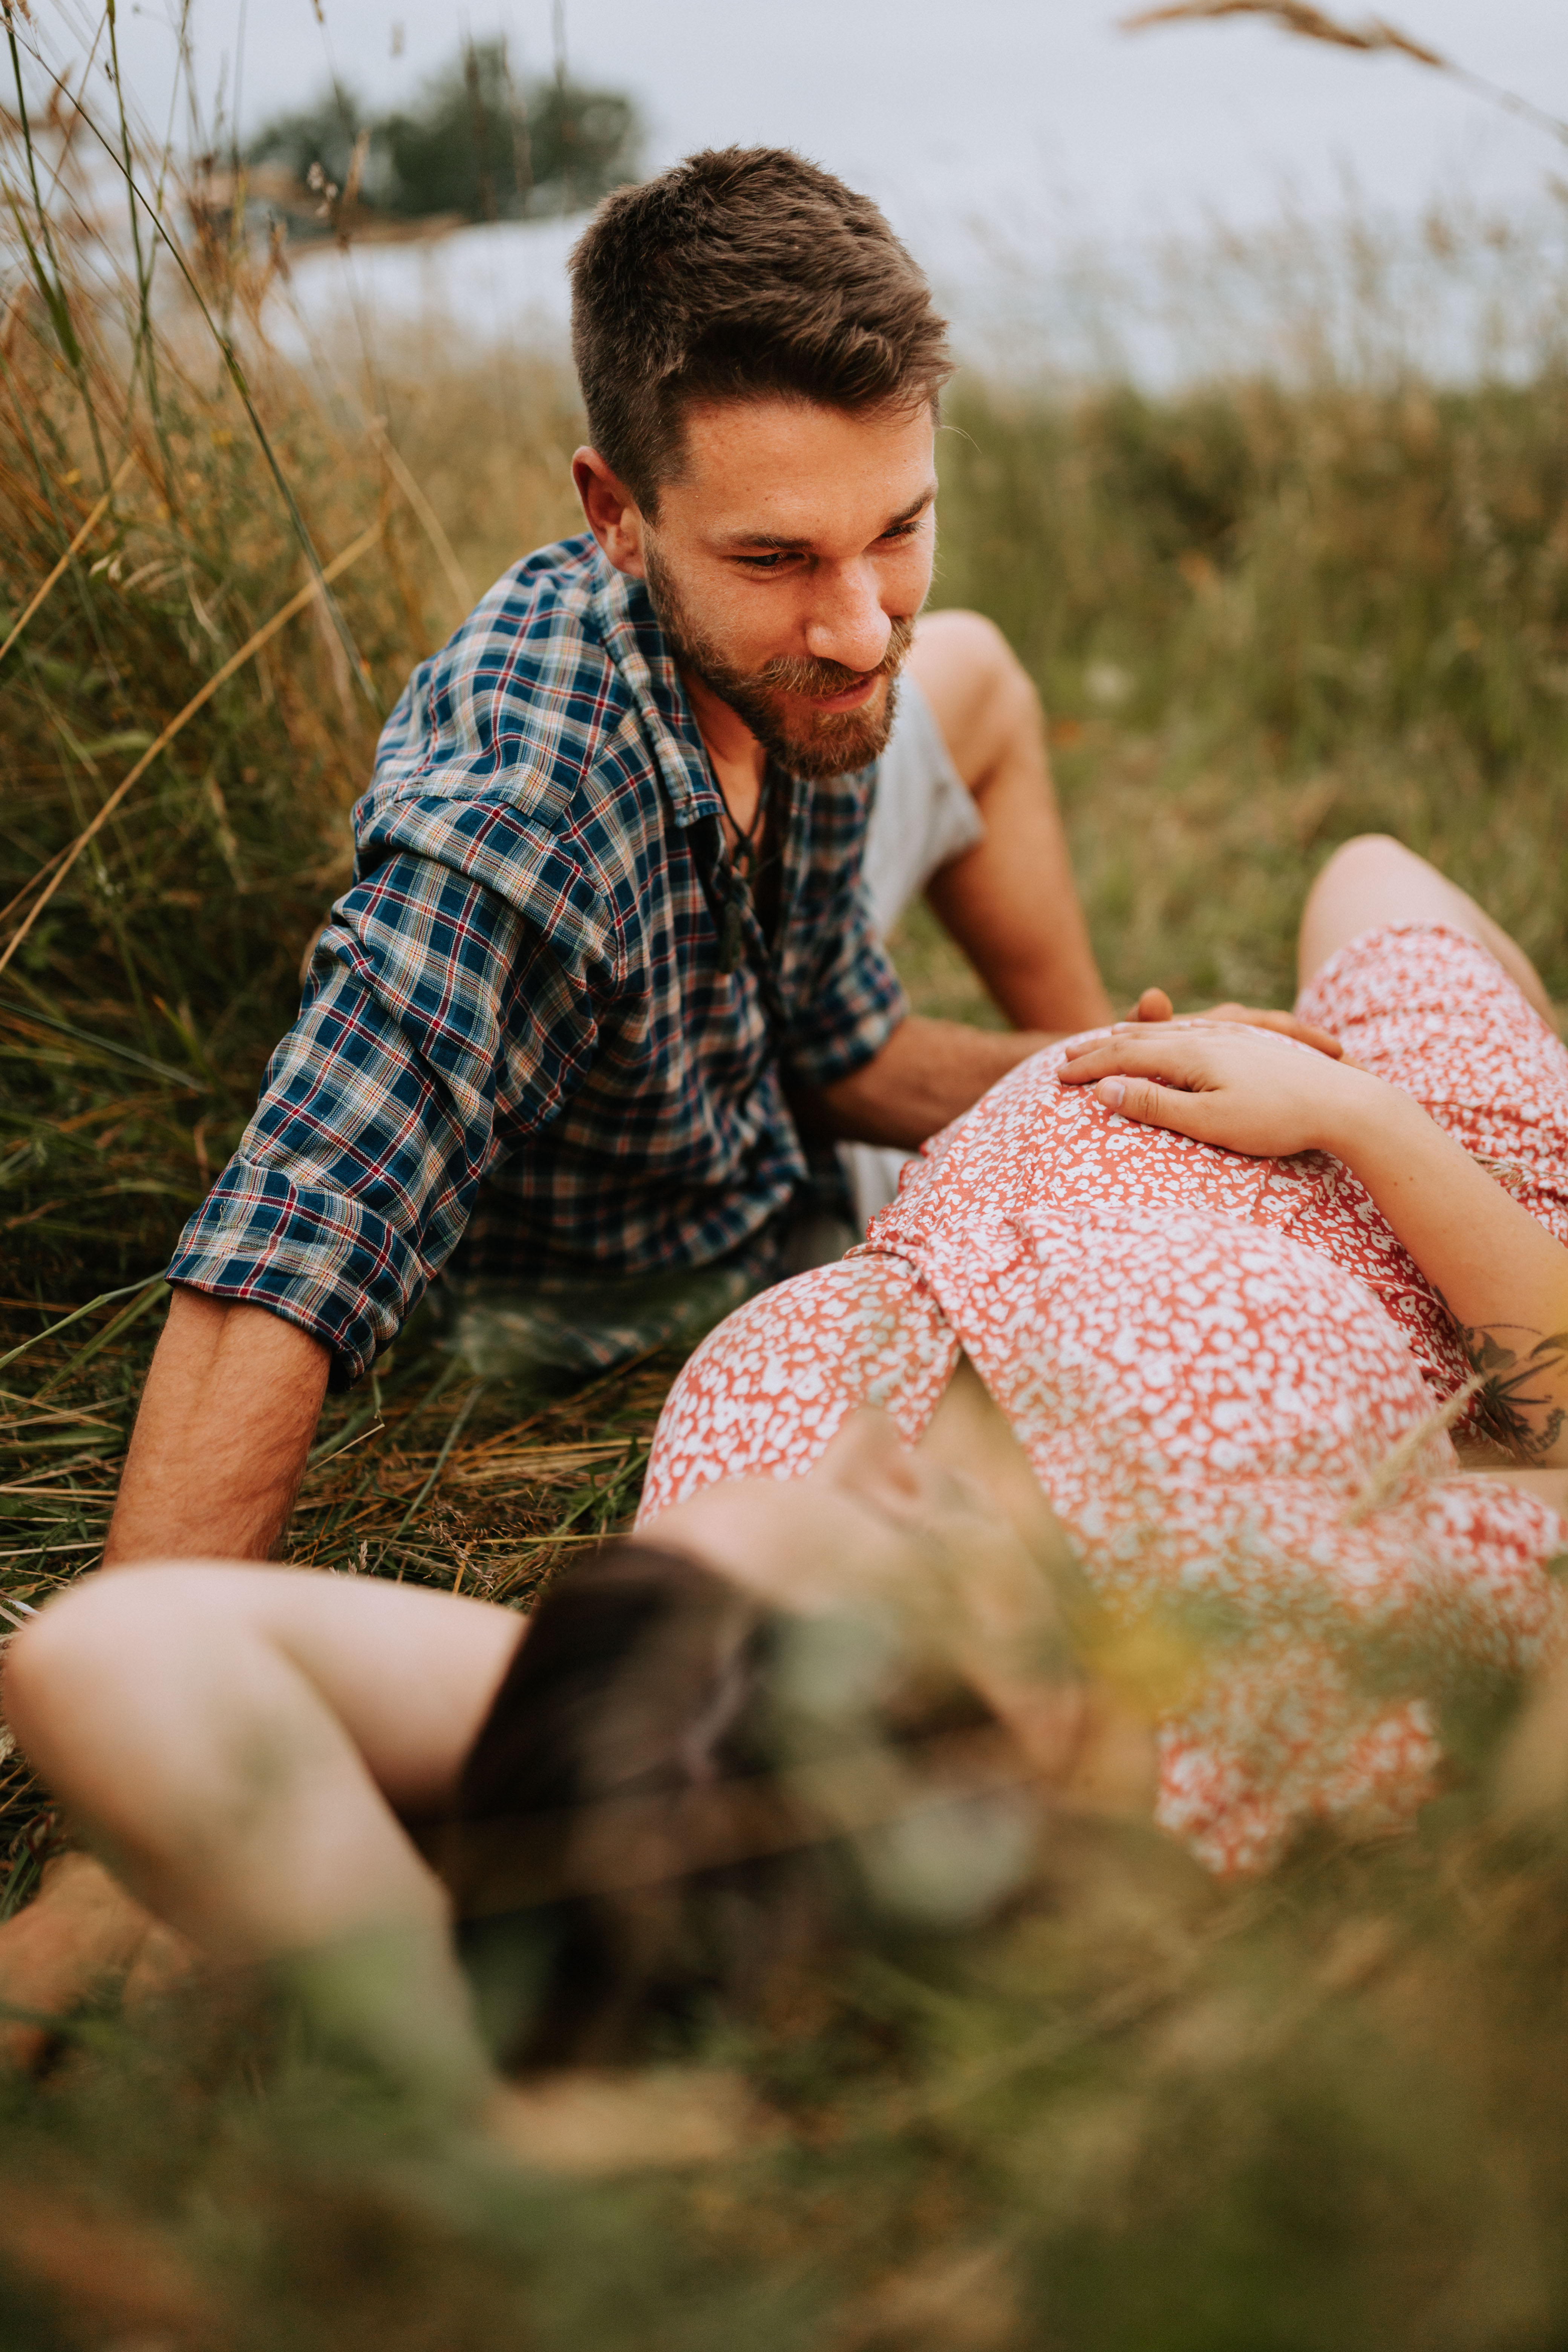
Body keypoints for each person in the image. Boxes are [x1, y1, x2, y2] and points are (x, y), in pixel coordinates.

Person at [3, 835, 1565, 2104]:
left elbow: (110, 1655)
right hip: (1433, 1172)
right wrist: (1351, 1117)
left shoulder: (685, 1727)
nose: (877, 1459)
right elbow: (1548, 1415)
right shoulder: (1271, 1674)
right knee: (1369, 874)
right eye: (918, 1528)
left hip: (1100, 1119)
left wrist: (470, 2099)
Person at [101, 145, 1324, 1574]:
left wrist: (1116, 1074)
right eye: (774, 558)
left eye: (900, 528)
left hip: (768, 1088)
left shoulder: (800, 676)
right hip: (669, 1273)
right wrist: (157, 1654)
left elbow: (838, 1047)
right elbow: (291, 1237)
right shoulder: (525, 824)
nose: (863, 627)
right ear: (615, 513)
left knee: (970, 673)